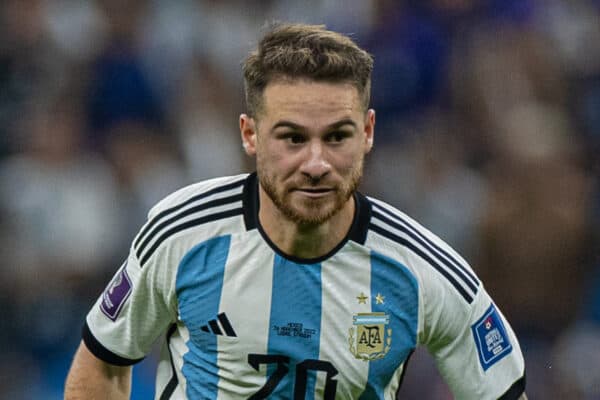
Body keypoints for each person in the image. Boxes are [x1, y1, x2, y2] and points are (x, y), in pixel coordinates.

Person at [64, 23, 527, 399]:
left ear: (367, 132)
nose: (316, 164)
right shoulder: (182, 233)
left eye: (337, 137)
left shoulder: (423, 271)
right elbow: (102, 366)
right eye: (292, 138)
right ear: (250, 135)